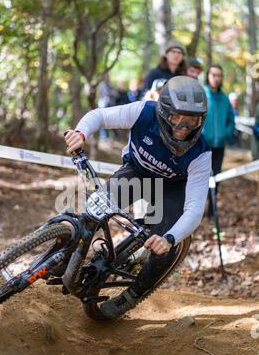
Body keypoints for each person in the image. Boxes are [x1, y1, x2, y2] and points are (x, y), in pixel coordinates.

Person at [64, 76, 211, 319]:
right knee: (92, 210)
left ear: (201, 121)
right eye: (176, 117)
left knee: (164, 246)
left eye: (191, 120)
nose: (183, 127)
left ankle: (134, 293)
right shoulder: (143, 112)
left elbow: (195, 208)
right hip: (137, 173)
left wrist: (172, 238)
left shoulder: (201, 154)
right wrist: (81, 133)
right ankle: (68, 256)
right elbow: (100, 116)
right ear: (163, 112)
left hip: (172, 191)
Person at [202, 64, 235, 217]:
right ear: (208, 76)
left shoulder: (224, 98)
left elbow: (231, 119)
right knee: (200, 176)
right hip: (202, 144)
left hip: (219, 145)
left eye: (219, 75)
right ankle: (194, 210)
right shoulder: (202, 94)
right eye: (213, 75)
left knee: (216, 176)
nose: (216, 78)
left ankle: (211, 210)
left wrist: (226, 133)